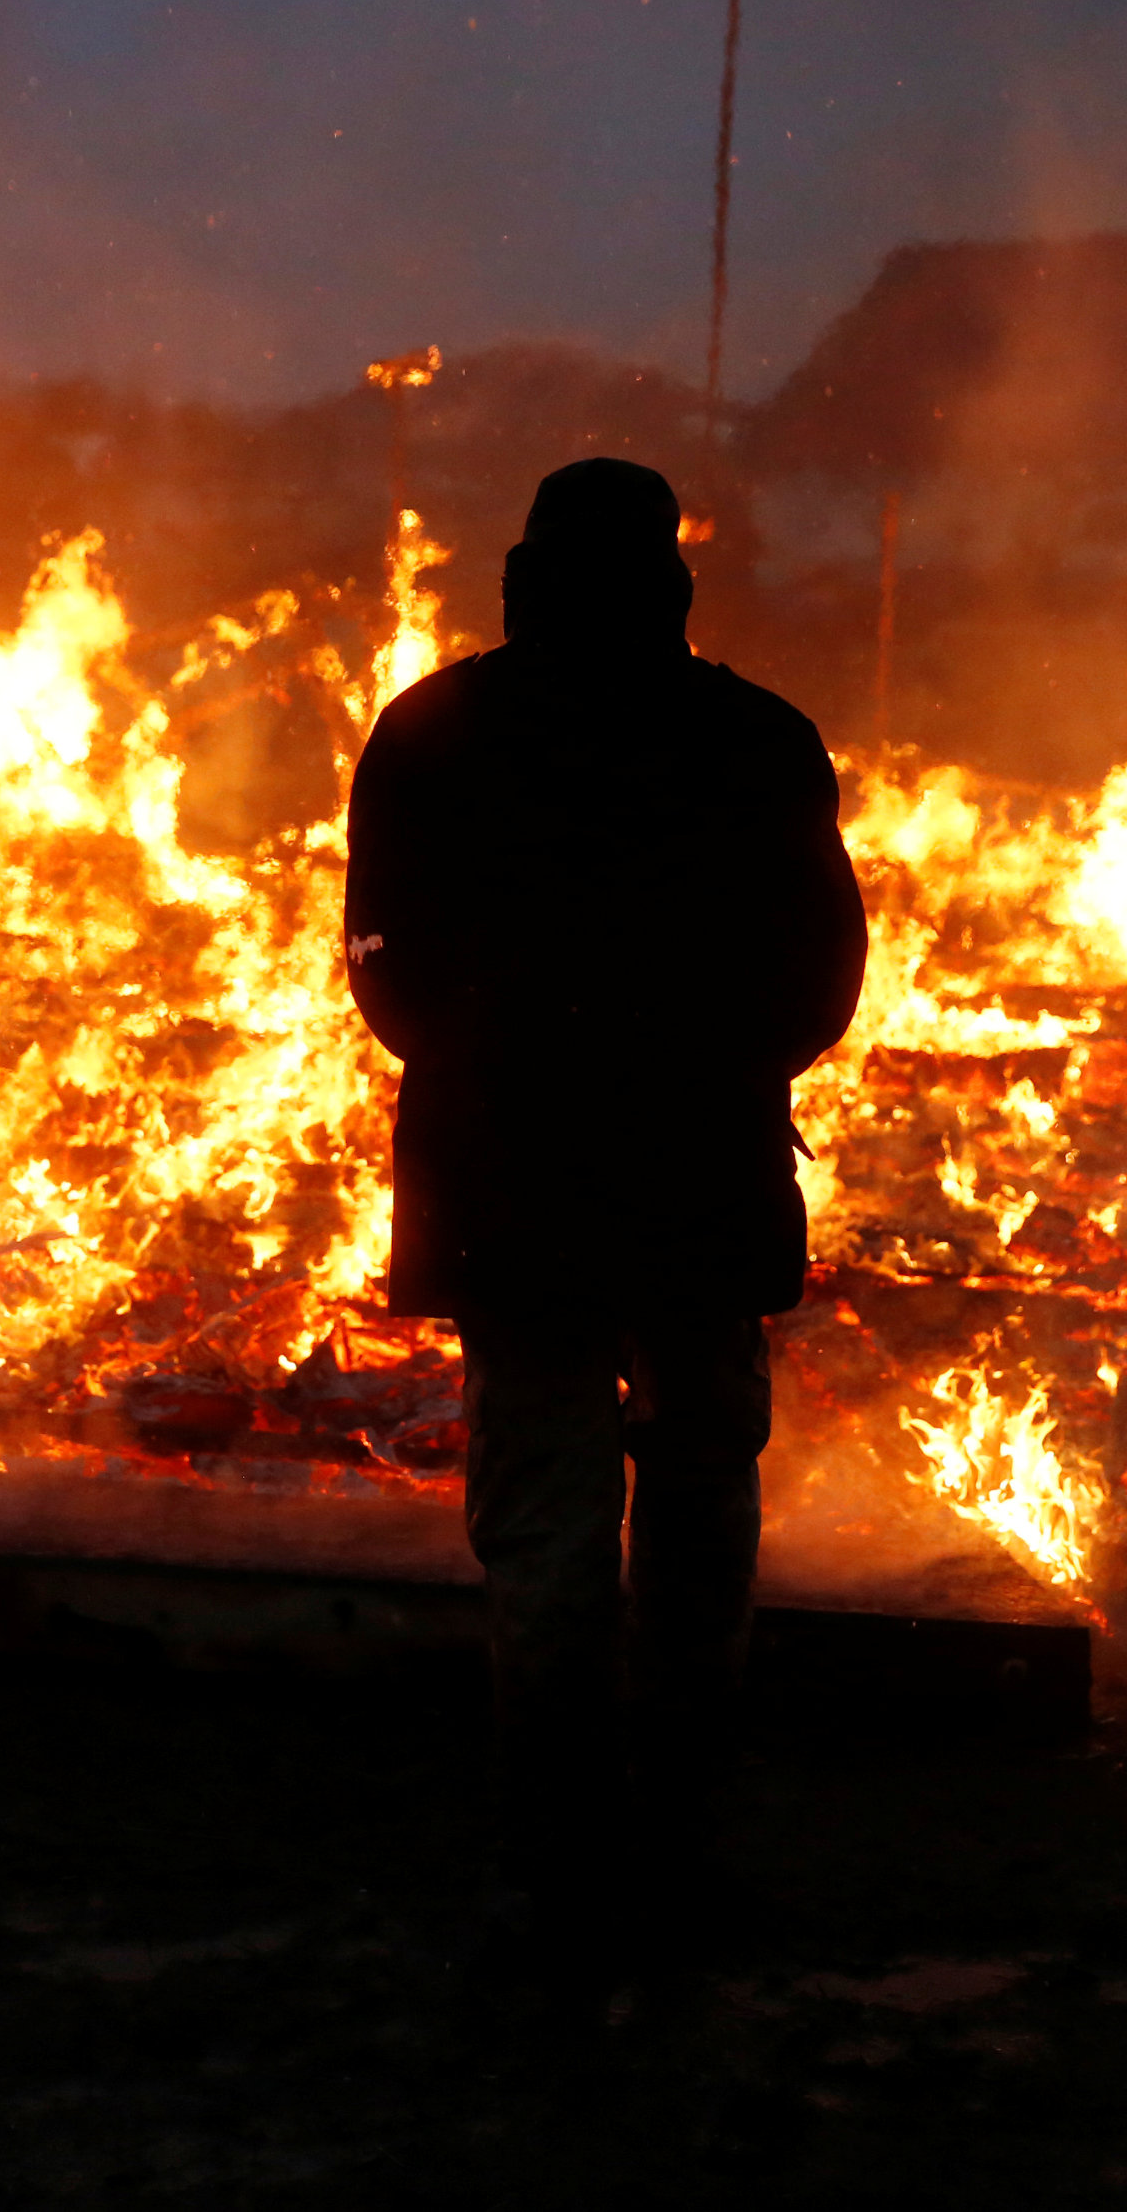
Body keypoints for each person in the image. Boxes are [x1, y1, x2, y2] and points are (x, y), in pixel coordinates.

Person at [343, 457, 867, 1954]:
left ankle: (547, 1853)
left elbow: (381, 958)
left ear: (522, 578)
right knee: (699, 1501)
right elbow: (822, 971)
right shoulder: (756, 740)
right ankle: (680, 1840)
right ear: (674, 587)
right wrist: (723, 1064)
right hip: (700, 1175)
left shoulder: (435, 731)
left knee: (547, 1519)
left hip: (508, 1181)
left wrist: (473, 1060)